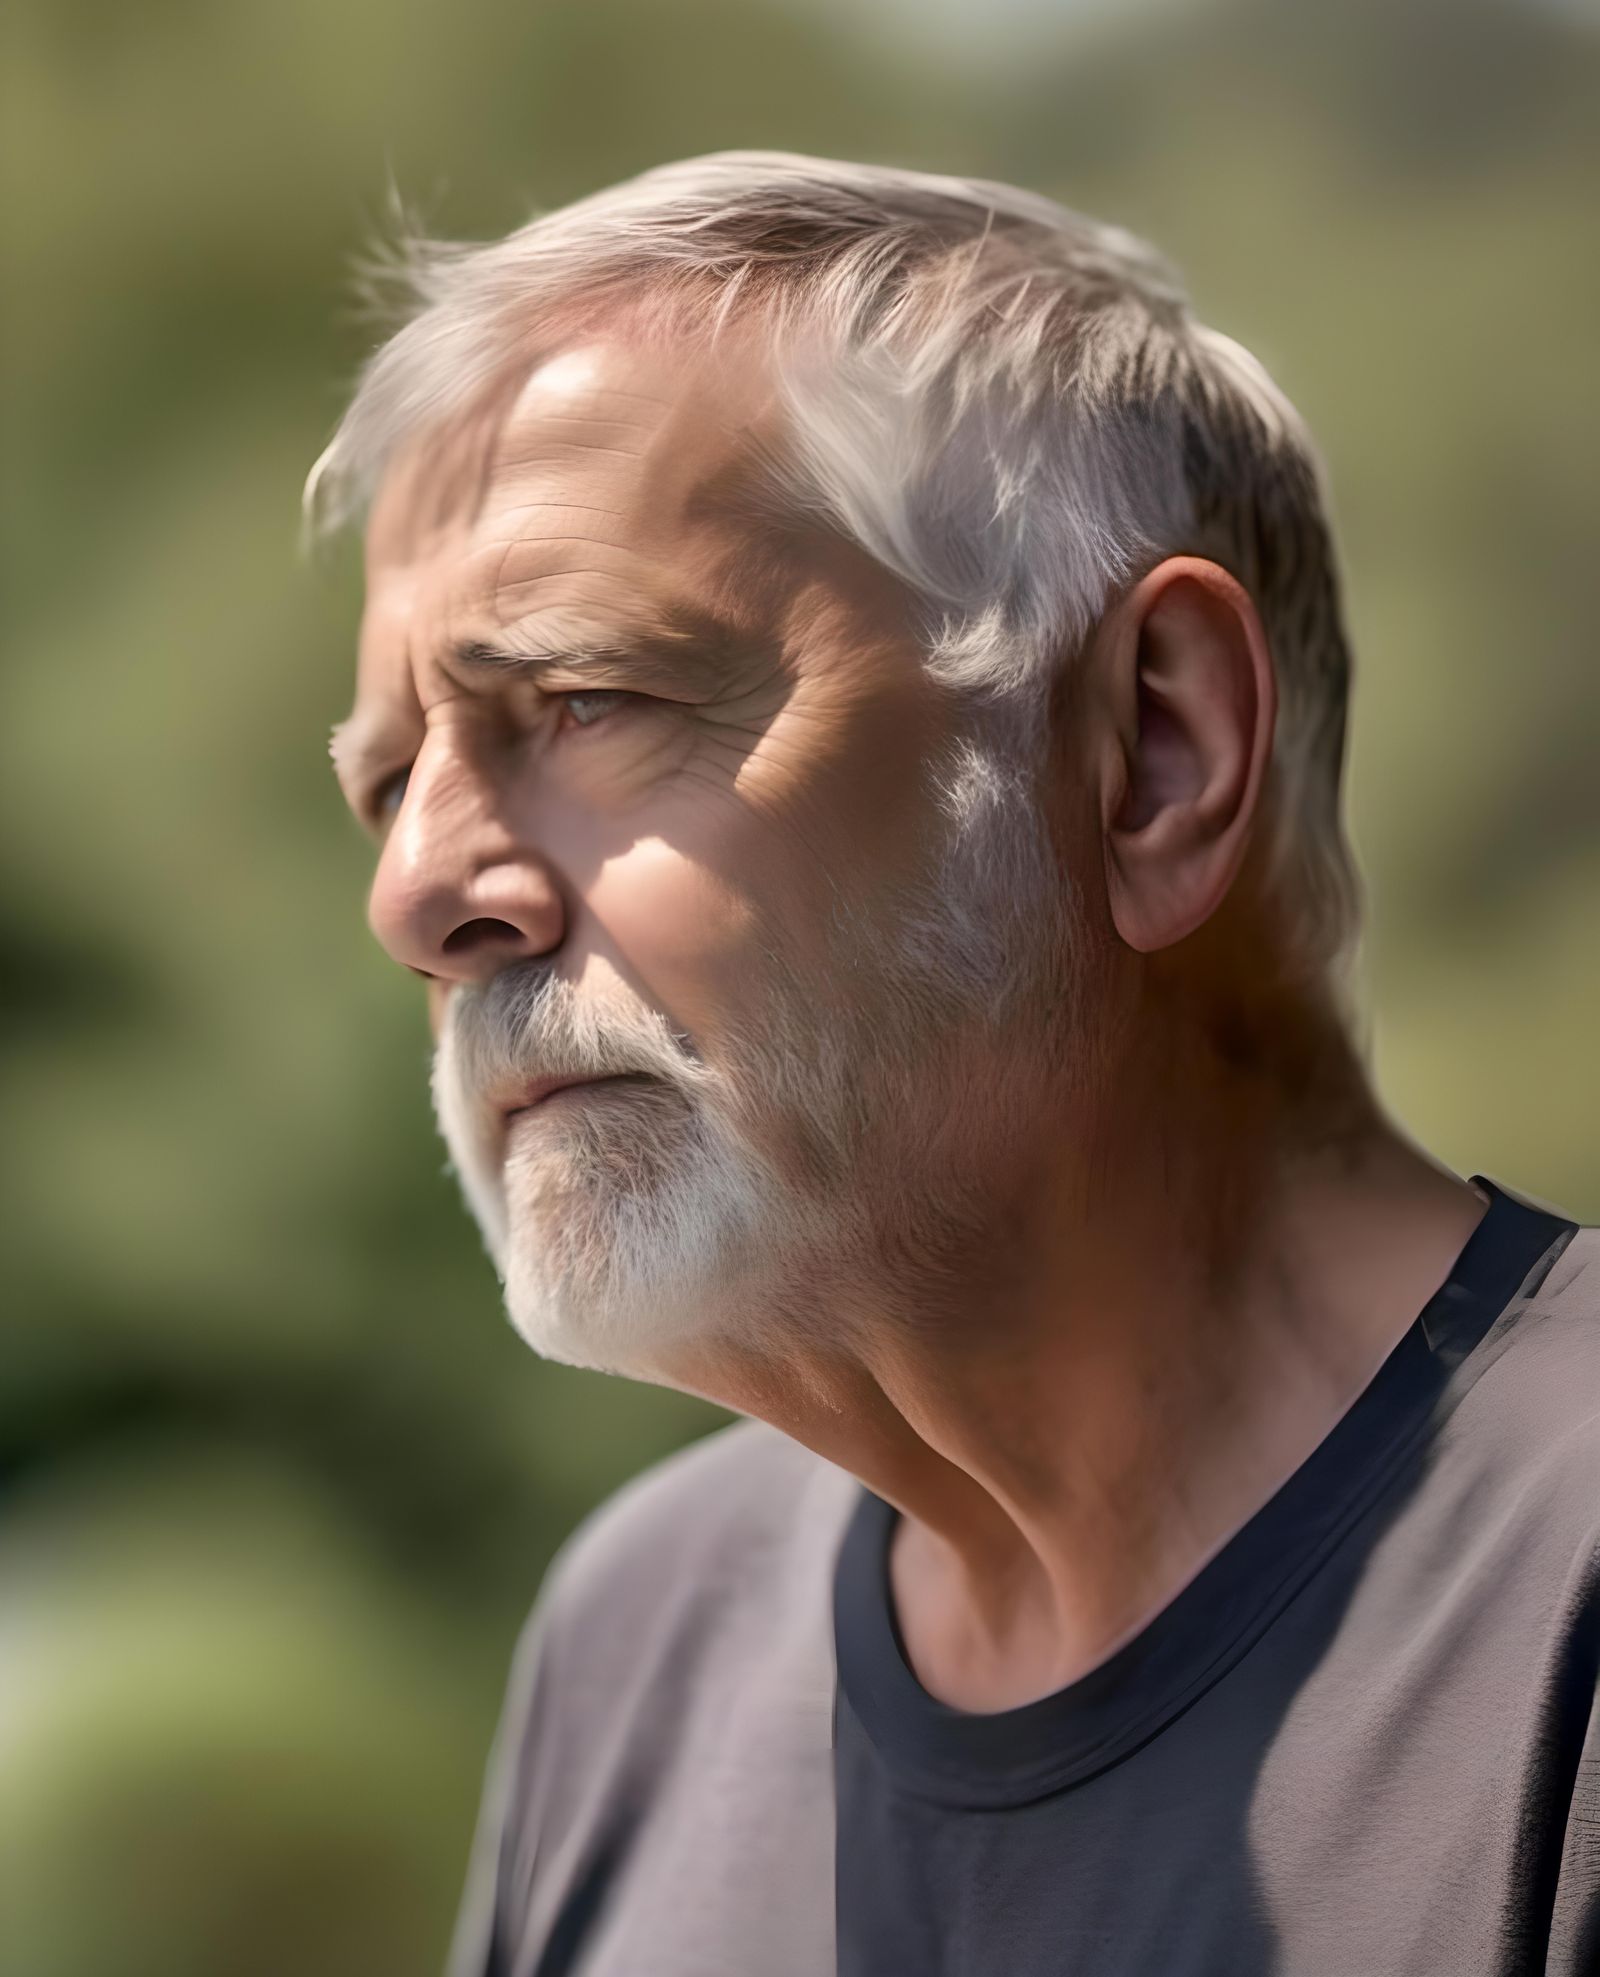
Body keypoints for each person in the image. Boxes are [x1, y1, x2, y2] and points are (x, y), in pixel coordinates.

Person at [306, 152, 1598, 1976]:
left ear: (1149, 747)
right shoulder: (642, 1640)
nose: (418, 892)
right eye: (387, 780)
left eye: (588, 699)